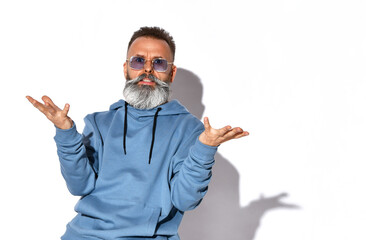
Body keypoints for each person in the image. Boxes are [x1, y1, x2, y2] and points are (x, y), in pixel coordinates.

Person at [26, 26, 249, 240]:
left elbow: (185, 200)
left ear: (172, 73)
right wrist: (65, 133)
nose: (148, 69)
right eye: (138, 60)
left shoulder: (189, 130)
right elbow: (80, 186)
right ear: (126, 69)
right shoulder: (99, 122)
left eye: (159, 63)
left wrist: (205, 148)